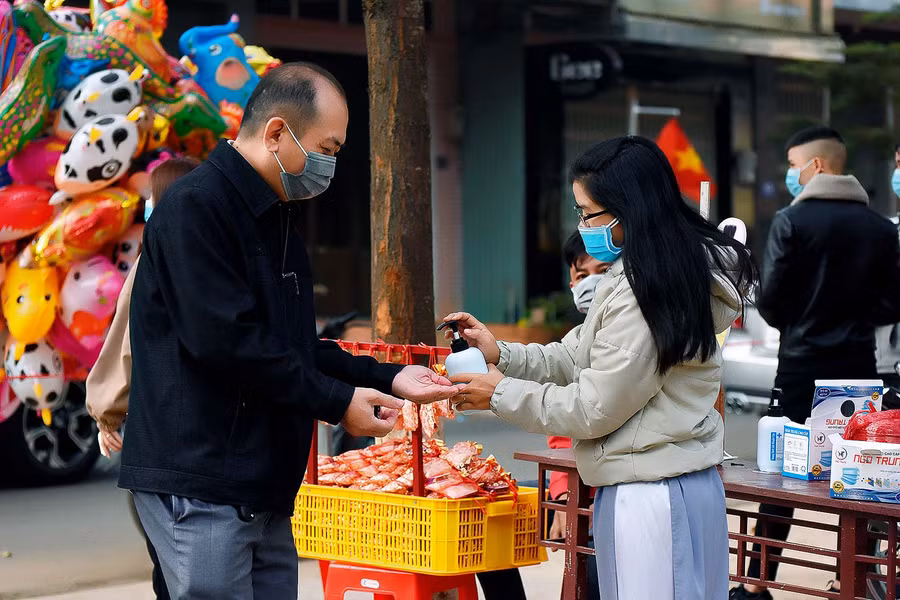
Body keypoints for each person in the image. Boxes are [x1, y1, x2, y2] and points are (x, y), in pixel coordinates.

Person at [120, 63, 458, 600]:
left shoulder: (276, 218)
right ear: (277, 131)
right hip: (203, 481)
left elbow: (294, 347)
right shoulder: (196, 209)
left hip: (263, 485)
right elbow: (228, 343)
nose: (330, 164)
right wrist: (338, 401)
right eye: (327, 147)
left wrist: (392, 378)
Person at [445, 136, 755, 600]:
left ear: (629, 211)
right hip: (656, 481)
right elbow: (576, 357)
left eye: (588, 213)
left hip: (654, 492)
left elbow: (594, 406)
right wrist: (499, 353)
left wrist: (499, 395)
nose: (583, 225)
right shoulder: (639, 276)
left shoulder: (647, 291)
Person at [732, 126, 900, 600]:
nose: (790, 173)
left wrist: (804, 322)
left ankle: (756, 581)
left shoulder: (792, 221)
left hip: (800, 366)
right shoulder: (879, 228)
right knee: (863, 472)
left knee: (779, 474)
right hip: (859, 367)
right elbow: (893, 302)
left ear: (816, 166)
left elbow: (771, 302)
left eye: (792, 163)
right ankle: (863, 580)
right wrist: (854, 319)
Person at [86, 156, 200, 600]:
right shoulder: (219, 254)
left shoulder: (155, 258)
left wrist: (107, 412)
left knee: (170, 569)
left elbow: (126, 342)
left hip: (162, 439)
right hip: (217, 441)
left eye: (151, 199)